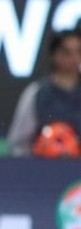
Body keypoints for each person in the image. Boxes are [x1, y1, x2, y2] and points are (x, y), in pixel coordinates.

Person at [7, 28, 81, 157]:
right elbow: (19, 144)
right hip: (43, 165)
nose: (73, 58)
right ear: (54, 55)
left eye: (78, 52)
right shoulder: (36, 93)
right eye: (66, 52)